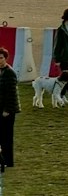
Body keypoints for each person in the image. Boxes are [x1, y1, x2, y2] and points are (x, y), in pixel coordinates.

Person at [0, 45, 17, 174]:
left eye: (1, 58)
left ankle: (7, 161)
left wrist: (7, 110)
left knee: (6, 136)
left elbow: (12, 94)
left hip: (7, 110)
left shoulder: (10, 73)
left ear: (5, 58)